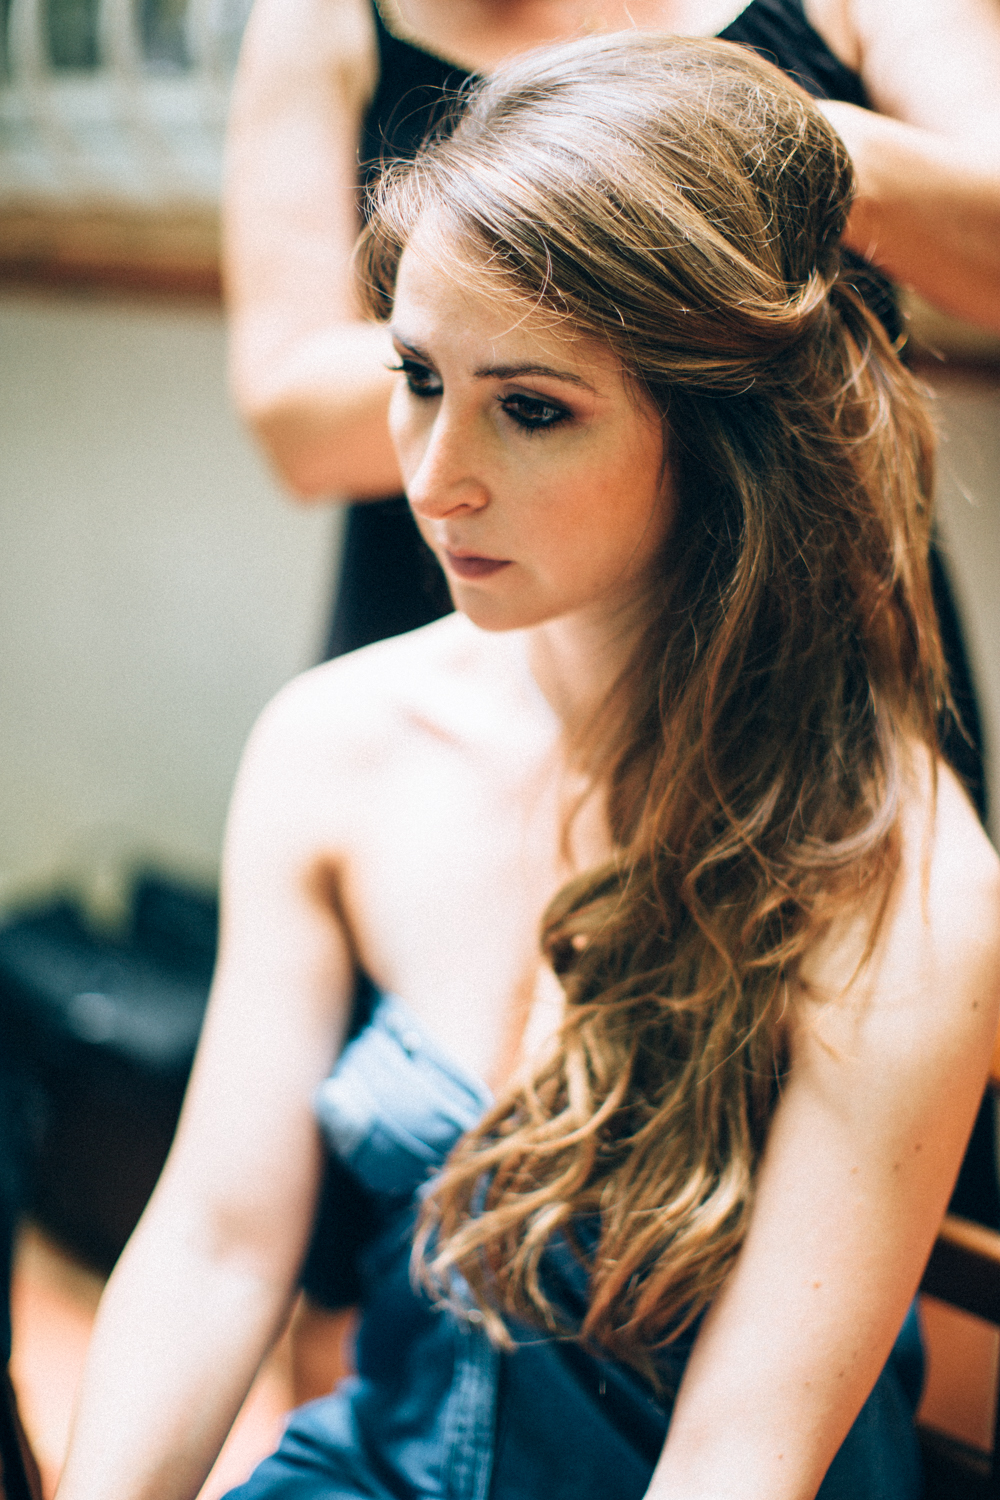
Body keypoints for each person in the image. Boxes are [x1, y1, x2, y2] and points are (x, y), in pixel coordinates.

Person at [57, 35, 1000, 1499]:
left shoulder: (902, 888)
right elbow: (220, 1245)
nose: (433, 479)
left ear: (725, 429)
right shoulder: (338, 744)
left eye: (533, 407)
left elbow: (741, 1457)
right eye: (417, 377)